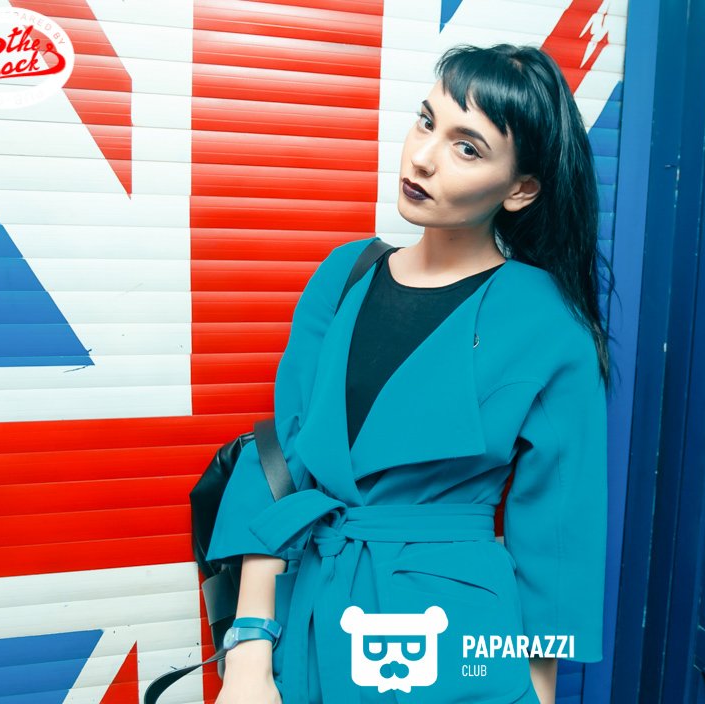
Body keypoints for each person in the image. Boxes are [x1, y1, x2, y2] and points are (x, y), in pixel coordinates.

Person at [207, 43, 615, 704]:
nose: (423, 157)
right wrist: (249, 652)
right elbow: (280, 459)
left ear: (521, 189)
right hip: (309, 613)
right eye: (426, 121)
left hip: (451, 639)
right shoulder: (344, 275)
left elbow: (557, 538)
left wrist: (537, 695)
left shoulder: (548, 323)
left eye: (467, 148)